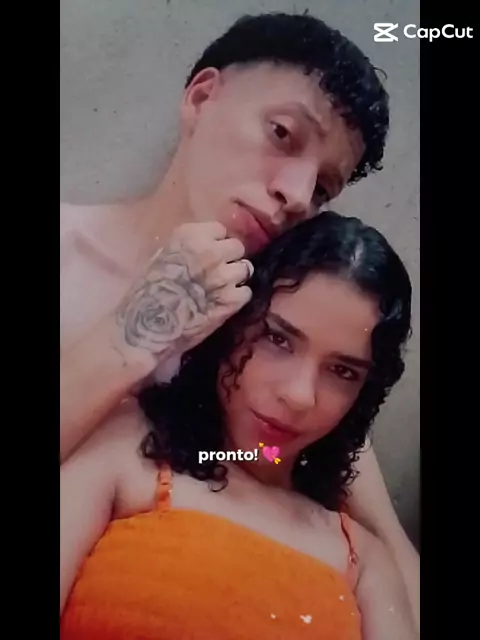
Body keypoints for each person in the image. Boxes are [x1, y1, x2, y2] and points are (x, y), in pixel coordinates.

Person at [60, 12, 419, 627]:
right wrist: (129, 338)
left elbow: (383, 544)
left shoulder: (275, 334)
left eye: (324, 188)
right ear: (202, 97)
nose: (298, 195)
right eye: (282, 134)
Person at [61, 212, 417, 639]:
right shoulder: (127, 453)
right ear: (231, 325)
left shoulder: (365, 562)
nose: (299, 395)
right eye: (278, 338)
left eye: (343, 371)